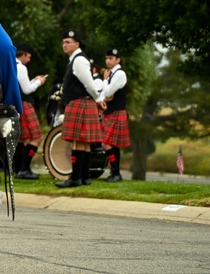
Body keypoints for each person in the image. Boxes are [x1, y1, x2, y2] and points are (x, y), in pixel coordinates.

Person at [54, 30, 104, 188]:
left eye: (68, 42)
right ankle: (84, 177)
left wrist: (98, 99)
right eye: (63, 42)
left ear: (77, 44)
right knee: (84, 142)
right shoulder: (75, 59)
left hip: (79, 103)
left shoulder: (79, 60)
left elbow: (89, 84)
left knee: (78, 141)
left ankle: (75, 178)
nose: (64, 45)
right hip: (82, 103)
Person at [97, 47, 129, 183]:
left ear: (118, 60)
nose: (108, 61)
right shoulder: (112, 73)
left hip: (116, 111)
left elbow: (108, 92)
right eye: (106, 58)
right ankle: (115, 173)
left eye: (111, 58)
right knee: (113, 145)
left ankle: (115, 173)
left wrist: (104, 80)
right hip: (111, 111)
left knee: (106, 143)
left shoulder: (119, 74)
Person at [14, 43, 46, 179]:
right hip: (25, 104)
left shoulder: (11, 65)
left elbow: (22, 85)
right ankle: (24, 169)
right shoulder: (21, 67)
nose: (29, 60)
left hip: (16, 104)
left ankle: (17, 169)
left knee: (21, 139)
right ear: (23, 54)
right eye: (29, 57)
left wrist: (33, 80)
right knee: (37, 137)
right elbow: (27, 90)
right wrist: (39, 82)